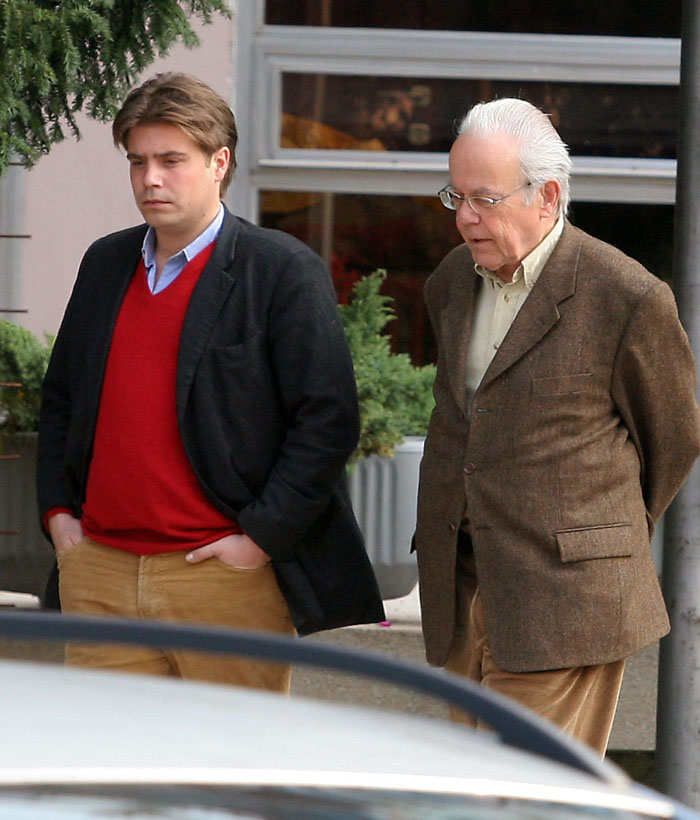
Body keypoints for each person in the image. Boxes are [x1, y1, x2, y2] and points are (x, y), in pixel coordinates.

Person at [37, 72, 384, 691]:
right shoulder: (105, 262)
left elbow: (327, 421)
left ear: (219, 162)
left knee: (227, 775)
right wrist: (59, 515)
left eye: (172, 160)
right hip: (100, 572)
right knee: (109, 773)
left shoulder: (279, 270)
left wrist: (258, 540)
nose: (151, 179)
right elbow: (62, 396)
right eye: (138, 162)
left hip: (222, 578)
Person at [414, 97, 700, 755]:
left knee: (527, 797)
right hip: (462, 588)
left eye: (483, 199)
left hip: (566, 598)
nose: (463, 217)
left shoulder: (626, 296)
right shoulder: (452, 281)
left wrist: (598, 534)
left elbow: (673, 439)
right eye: (454, 196)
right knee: (470, 791)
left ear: (547, 196)